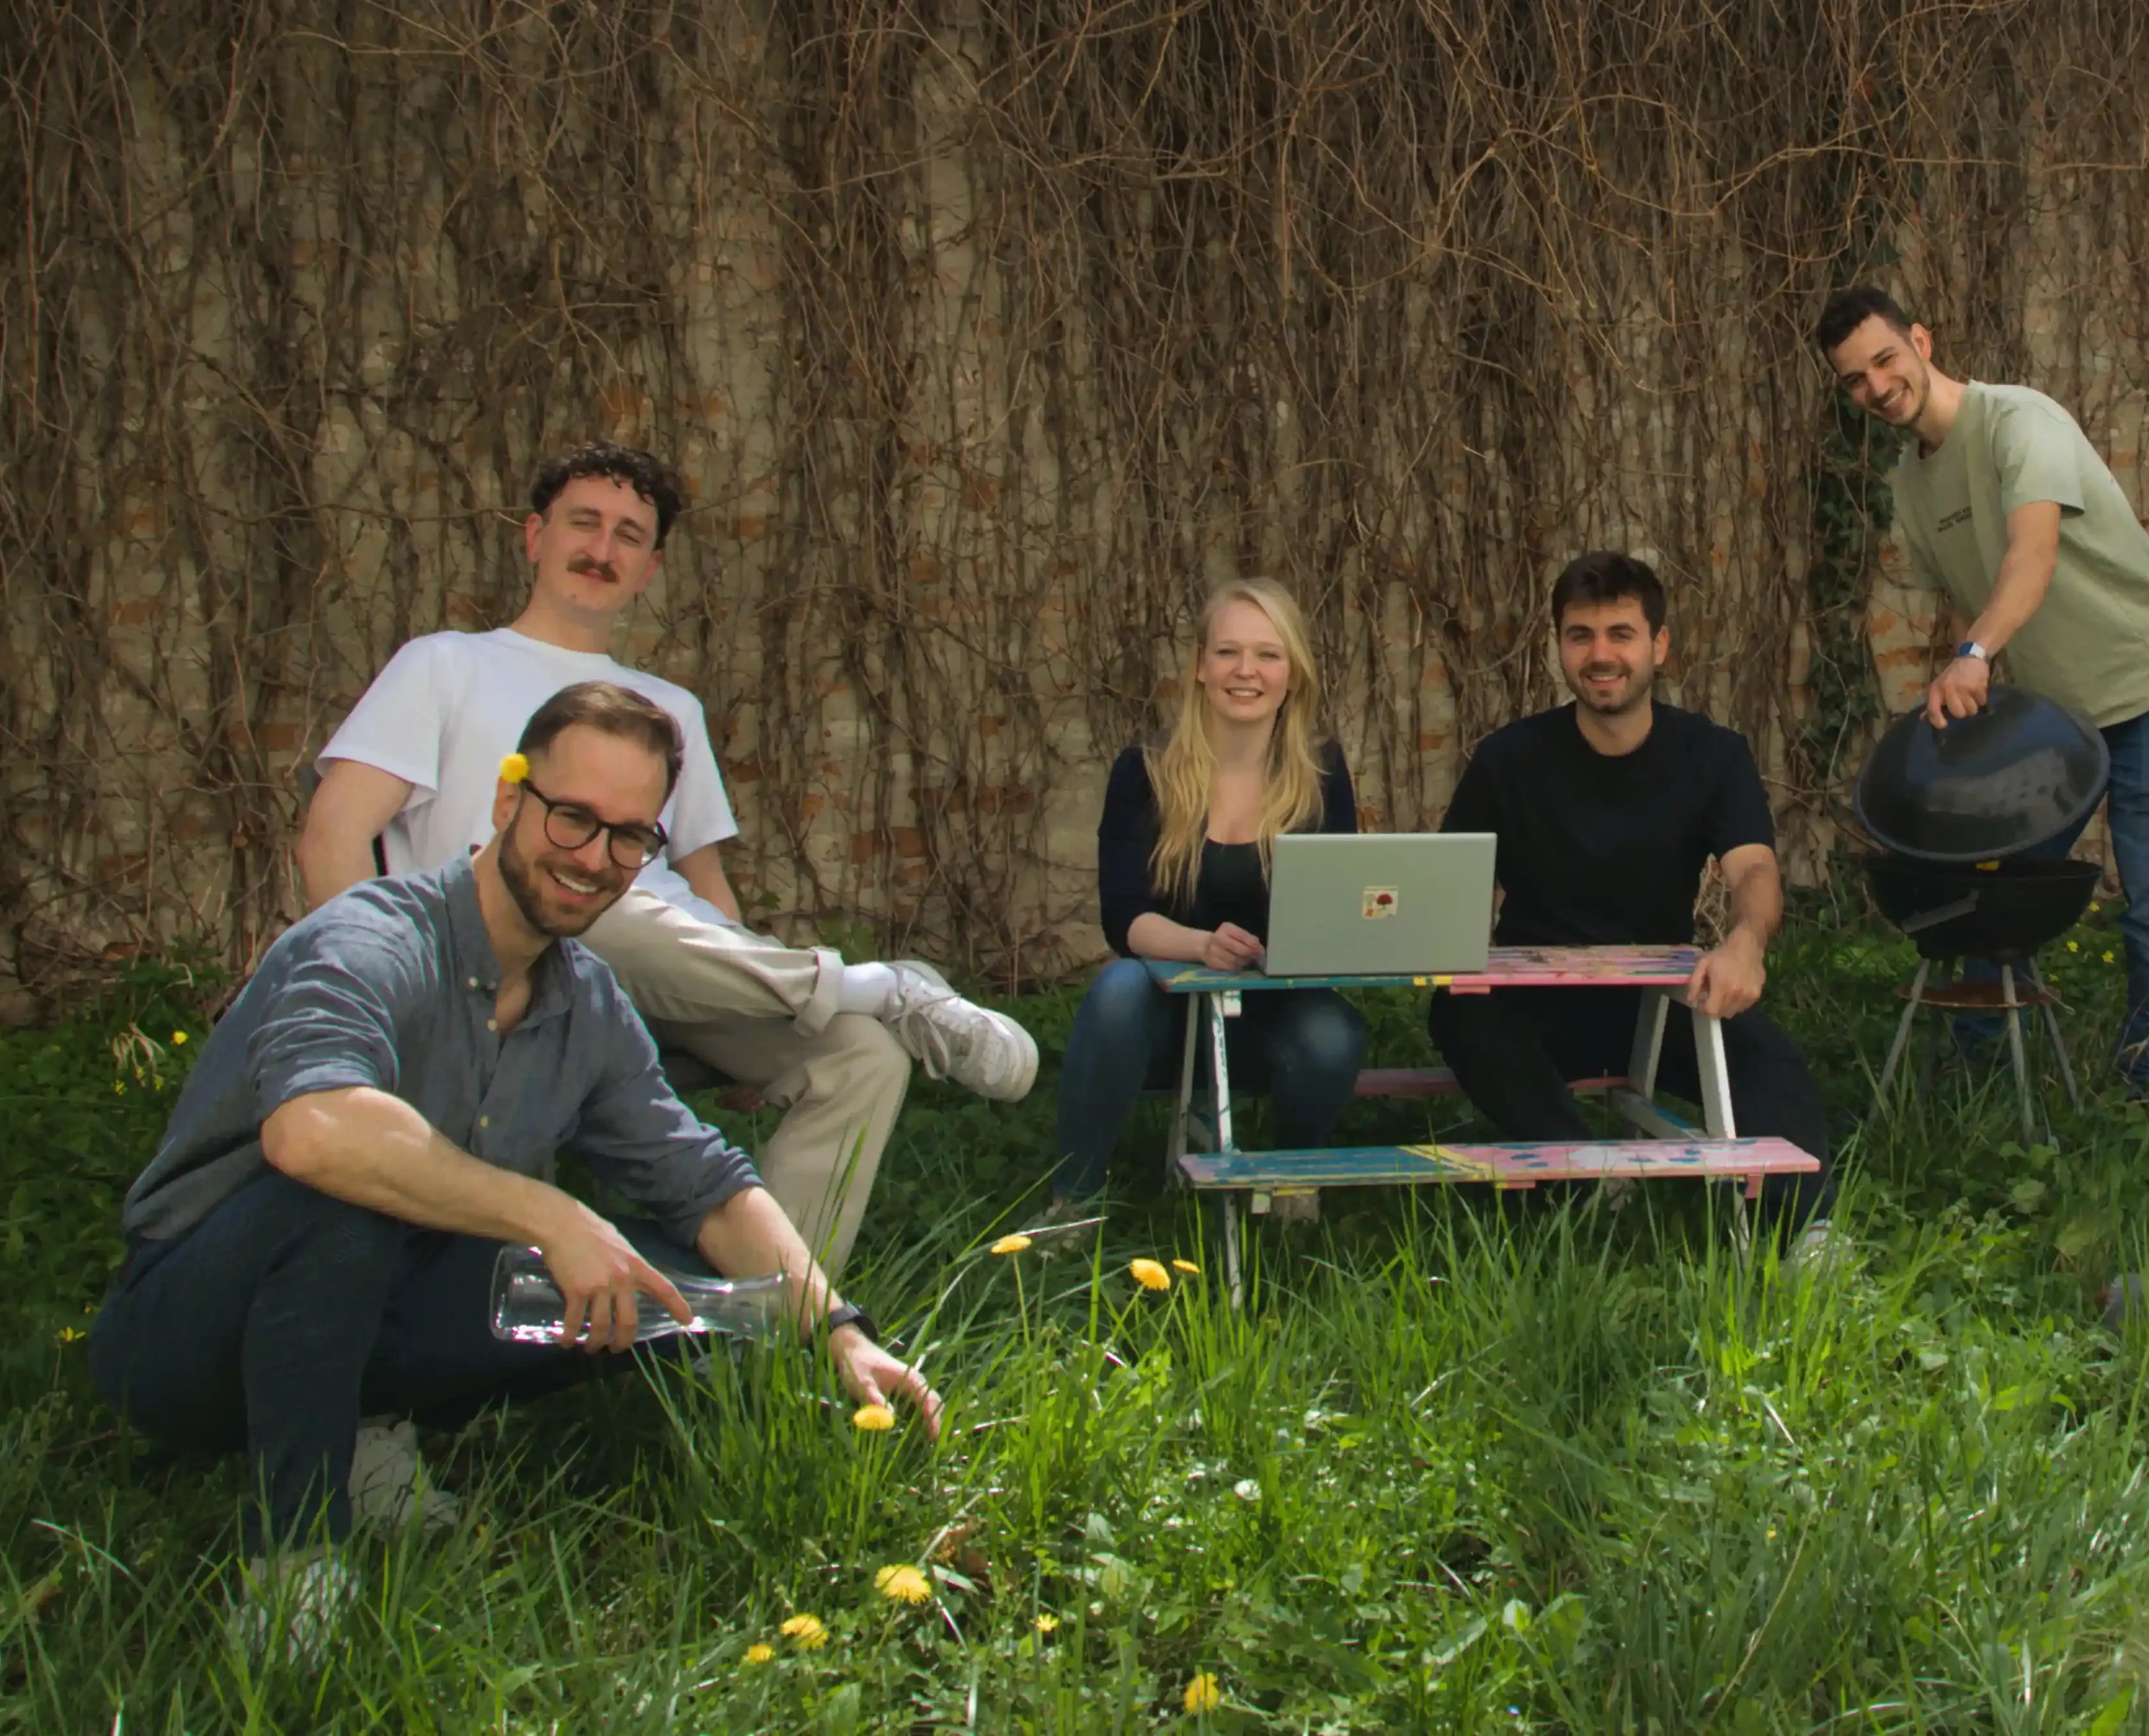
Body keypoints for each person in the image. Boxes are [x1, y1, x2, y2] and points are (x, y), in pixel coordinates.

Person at [92, 683, 940, 1659]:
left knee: (686, 1283)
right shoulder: (371, 939)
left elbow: (703, 1181)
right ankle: (294, 1578)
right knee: (343, 1208)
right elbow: (311, 1134)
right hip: (185, 1341)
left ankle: (370, 1422)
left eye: (631, 837)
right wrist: (549, 1212)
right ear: (509, 802)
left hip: (388, 1313)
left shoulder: (585, 1002)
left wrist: (837, 1331)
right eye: (573, 817)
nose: (595, 859)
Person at [299, 441, 1038, 1268]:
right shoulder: (443, 664)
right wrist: (376, 984)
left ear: (649, 569)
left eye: (628, 536)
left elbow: (703, 885)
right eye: (584, 523)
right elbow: (333, 834)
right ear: (534, 537)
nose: (601, 549)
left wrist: (764, 1007)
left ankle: (779, 1330)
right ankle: (876, 985)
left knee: (859, 1053)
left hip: (664, 969)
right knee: (584, 887)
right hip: (504, 952)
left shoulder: (669, 710)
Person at [1815, 286, 2149, 1089]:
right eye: (1854, 379)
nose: (1875, 386)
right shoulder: (1909, 479)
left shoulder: (2019, 421)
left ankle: (2148, 1097)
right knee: (1991, 881)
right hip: (2058, 707)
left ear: (1922, 343)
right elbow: (1972, 593)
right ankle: (1973, 1078)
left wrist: (1973, 654)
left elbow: (2030, 557)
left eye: (1884, 359)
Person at [1425, 552, 1841, 1239]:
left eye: (1620, 633)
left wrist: (1744, 944)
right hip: (1536, 1006)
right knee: (1459, 1014)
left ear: (1659, 645)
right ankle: (1589, 1185)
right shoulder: (1508, 759)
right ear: (1559, 646)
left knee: (1772, 1062)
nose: (1600, 654)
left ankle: (1805, 1236)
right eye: (1580, 635)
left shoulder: (1713, 754)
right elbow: (1452, 889)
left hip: (1658, 1003)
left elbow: (1754, 872)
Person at [1044, 582, 1369, 1222]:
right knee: (1116, 989)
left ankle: (1291, 1183)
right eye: (1228, 652)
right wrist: (1200, 946)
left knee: (1334, 1033)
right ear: (1200, 667)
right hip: (1168, 1010)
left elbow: (1337, 904)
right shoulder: (1145, 772)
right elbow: (1124, 917)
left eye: (1267, 655)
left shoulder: (1322, 774)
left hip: (1276, 1010)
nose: (1246, 671)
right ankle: (1072, 1203)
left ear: (1293, 673)